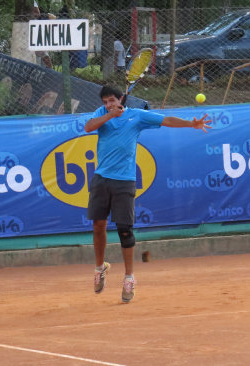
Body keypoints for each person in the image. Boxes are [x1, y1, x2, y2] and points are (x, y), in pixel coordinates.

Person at [85, 85, 212, 303]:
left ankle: (129, 277)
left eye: (112, 101)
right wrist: (108, 115)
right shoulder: (101, 114)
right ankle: (100, 268)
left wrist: (192, 124)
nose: (108, 104)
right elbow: (88, 127)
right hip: (101, 179)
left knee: (125, 230)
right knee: (98, 225)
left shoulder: (137, 116)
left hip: (124, 181)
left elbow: (166, 120)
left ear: (121, 99)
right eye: (105, 101)